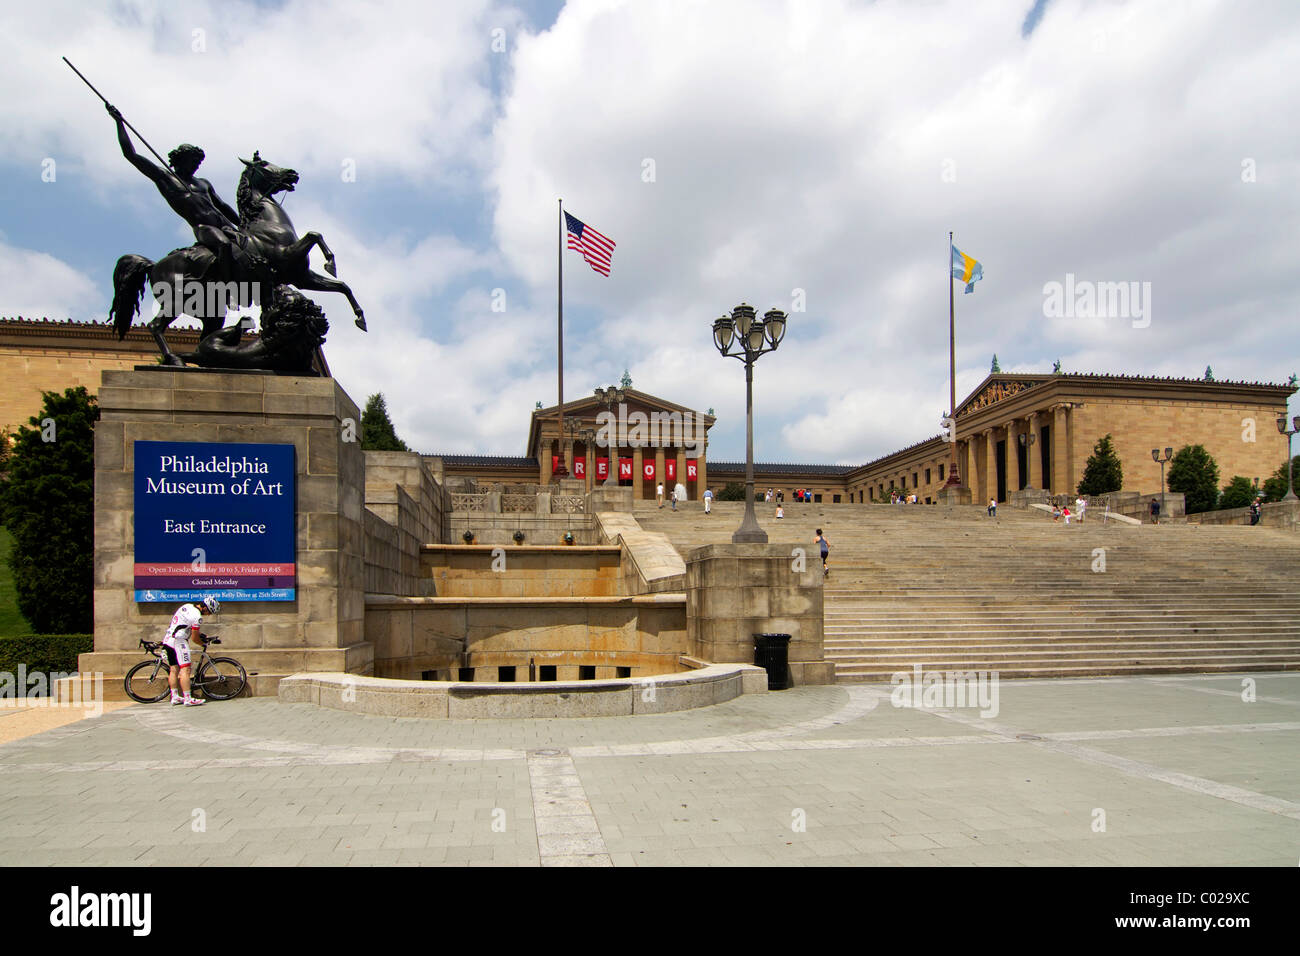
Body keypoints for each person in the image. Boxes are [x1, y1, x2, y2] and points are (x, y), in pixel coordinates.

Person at [162, 595, 220, 706]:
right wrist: (203, 643)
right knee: (186, 670)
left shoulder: (187, 606)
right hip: (179, 641)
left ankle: (174, 697)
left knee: (174, 669)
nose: (208, 615)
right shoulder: (197, 616)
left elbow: (185, 626)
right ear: (205, 607)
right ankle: (188, 698)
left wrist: (201, 635)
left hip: (168, 639)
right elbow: (194, 638)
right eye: (209, 612)